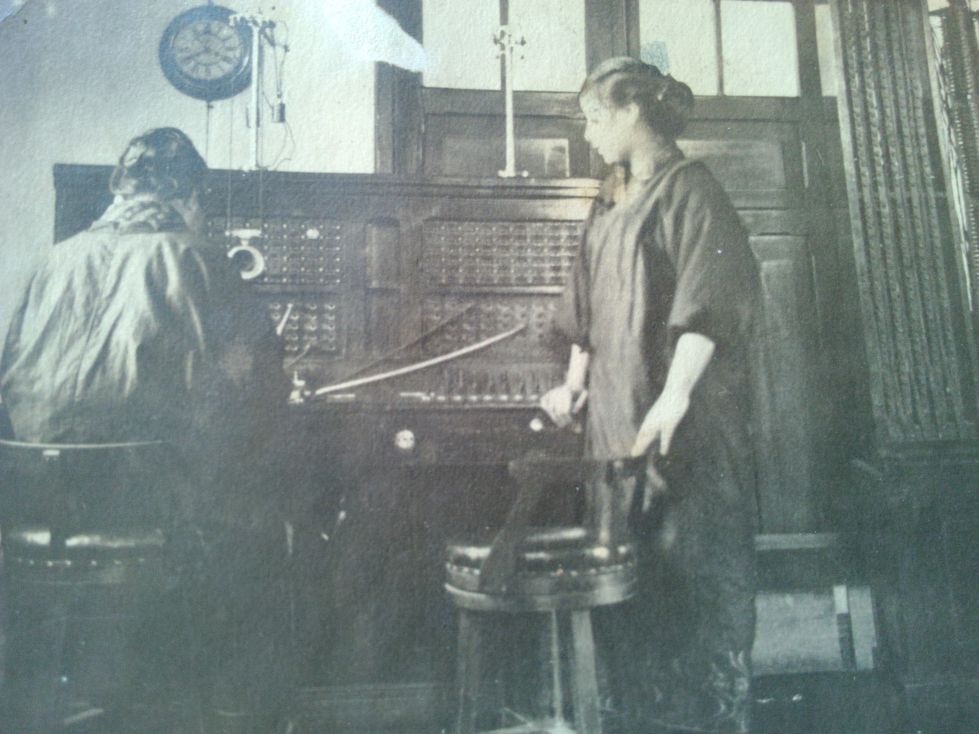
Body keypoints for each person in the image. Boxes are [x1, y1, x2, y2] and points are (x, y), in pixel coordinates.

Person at [0, 127, 294, 733]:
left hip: (39, 513)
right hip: (156, 515)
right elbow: (259, 393)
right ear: (191, 196)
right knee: (279, 525)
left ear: (120, 189)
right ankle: (240, 714)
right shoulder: (199, 258)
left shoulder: (48, 262)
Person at [541, 58, 761, 734]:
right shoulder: (607, 202)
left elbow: (709, 306)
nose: (587, 133)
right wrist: (572, 385)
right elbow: (583, 310)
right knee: (624, 578)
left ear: (633, 111)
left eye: (594, 118)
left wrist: (675, 397)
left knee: (690, 574)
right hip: (613, 423)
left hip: (679, 429)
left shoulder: (693, 192)